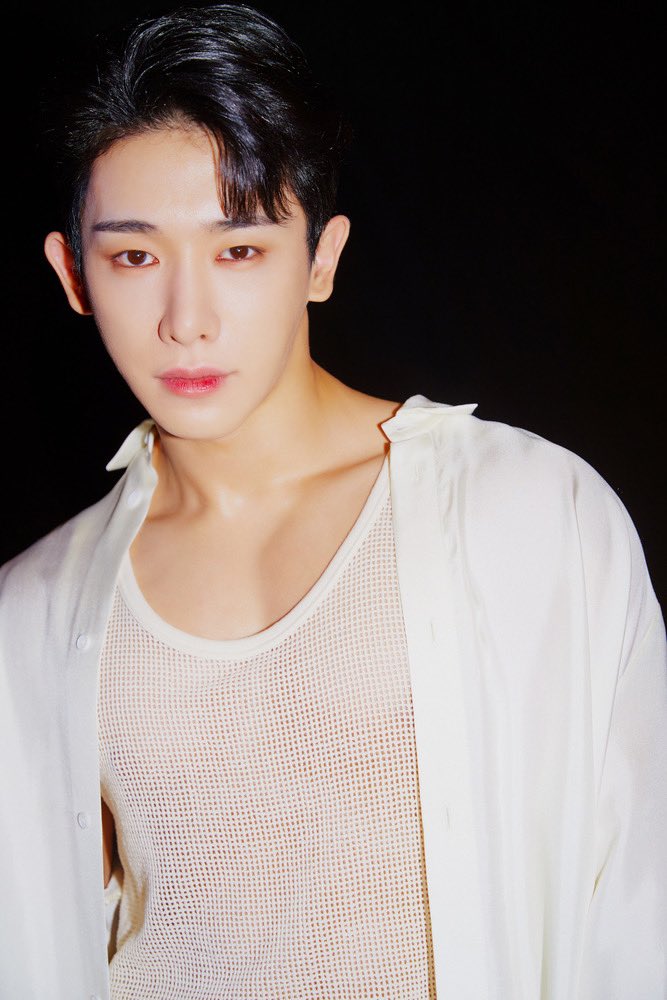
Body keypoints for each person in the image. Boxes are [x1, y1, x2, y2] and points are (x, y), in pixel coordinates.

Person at [0, 5, 665, 998]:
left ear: (321, 257)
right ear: (73, 274)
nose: (187, 320)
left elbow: (635, 911)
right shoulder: (35, 612)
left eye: (238, 251)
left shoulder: (530, 513)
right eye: (135, 256)